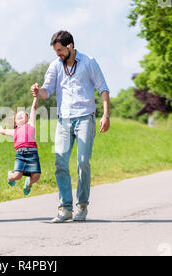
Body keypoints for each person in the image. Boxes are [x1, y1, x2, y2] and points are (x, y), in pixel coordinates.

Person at [31, 30, 111, 223]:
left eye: (60, 50)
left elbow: (103, 87)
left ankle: (81, 205)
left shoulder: (88, 62)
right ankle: (65, 208)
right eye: (55, 51)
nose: (58, 54)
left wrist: (106, 114)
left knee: (82, 162)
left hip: (85, 117)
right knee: (60, 162)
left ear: (70, 46)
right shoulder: (55, 66)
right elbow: (47, 91)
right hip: (64, 120)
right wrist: (37, 90)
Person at [0, 96, 41, 195]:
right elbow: (2, 131)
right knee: (17, 176)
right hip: (21, 155)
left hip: (32, 154)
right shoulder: (14, 131)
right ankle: (11, 175)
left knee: (36, 176)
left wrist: (36, 97)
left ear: (27, 119)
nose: (20, 115)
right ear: (15, 121)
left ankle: (29, 183)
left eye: (23, 115)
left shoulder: (30, 125)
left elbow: (33, 108)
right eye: (18, 115)